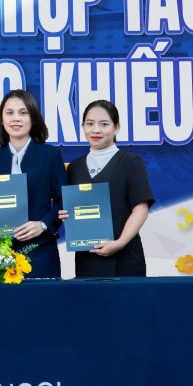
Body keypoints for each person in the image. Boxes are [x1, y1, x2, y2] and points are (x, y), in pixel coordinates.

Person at [59, 100, 154, 277]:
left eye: (104, 124)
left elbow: (140, 210)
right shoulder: (74, 167)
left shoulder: (130, 162)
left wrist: (119, 243)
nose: (96, 130)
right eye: (90, 124)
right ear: (83, 127)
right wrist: (66, 216)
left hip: (125, 256)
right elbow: (73, 209)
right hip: (87, 257)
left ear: (116, 128)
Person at [0, 90, 67, 278]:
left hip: (40, 249)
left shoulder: (50, 155)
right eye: (9, 113)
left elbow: (63, 201)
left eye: (23, 112)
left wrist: (43, 224)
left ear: (33, 118)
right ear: (2, 120)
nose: (16, 118)